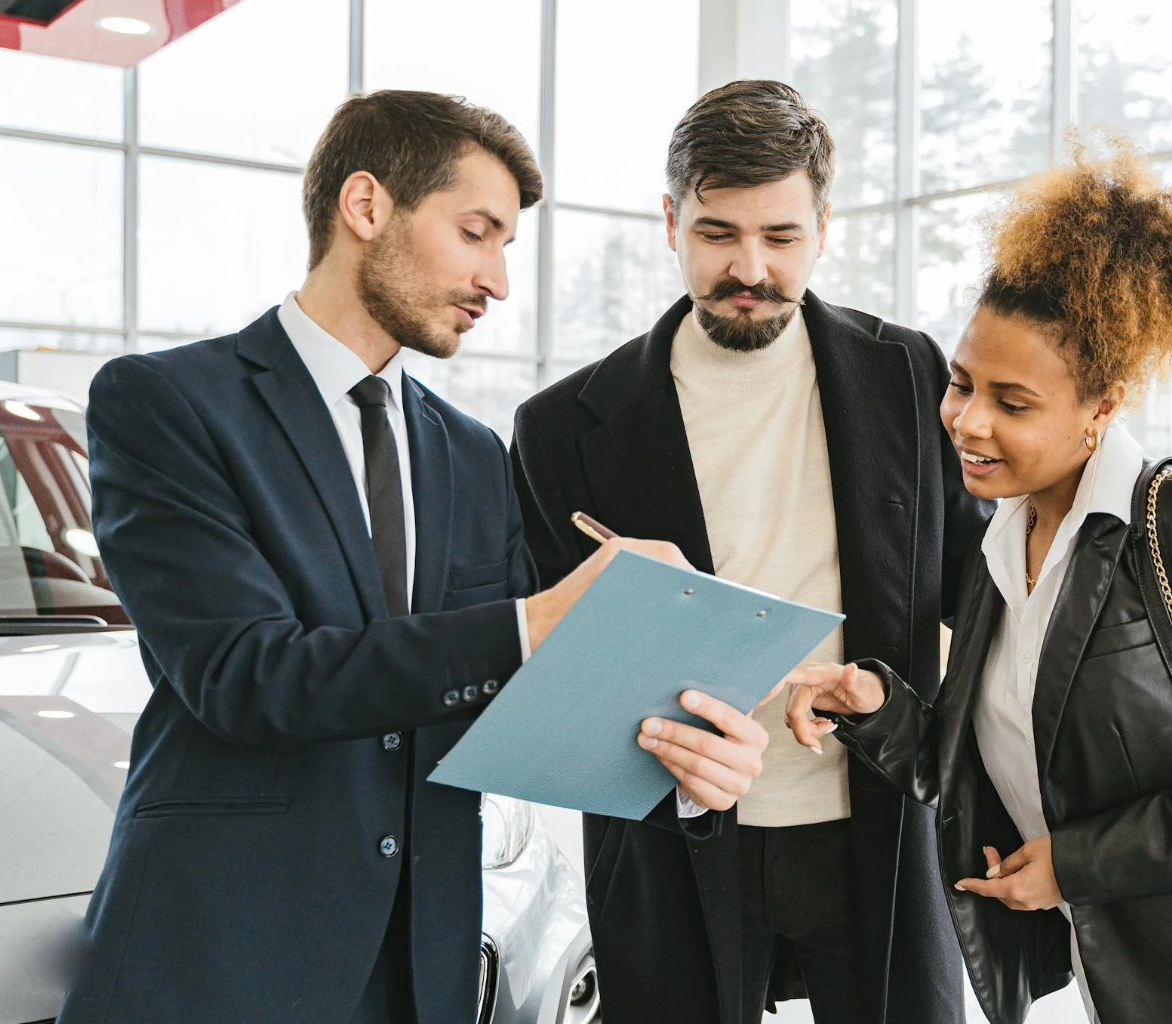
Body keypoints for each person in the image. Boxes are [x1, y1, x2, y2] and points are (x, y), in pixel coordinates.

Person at [59, 90, 769, 1024]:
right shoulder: (169, 404)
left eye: (506, 245)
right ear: (365, 207)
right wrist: (535, 620)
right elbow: (242, 676)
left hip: (425, 966)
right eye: (477, 233)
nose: (499, 281)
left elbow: (521, 703)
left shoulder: (473, 454)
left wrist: (681, 759)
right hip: (226, 953)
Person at [781, 137, 1172, 1024]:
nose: (968, 422)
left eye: (1013, 404)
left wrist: (1079, 862)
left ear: (1102, 406)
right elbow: (996, 764)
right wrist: (879, 712)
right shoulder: (1002, 542)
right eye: (960, 384)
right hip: (1118, 986)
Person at [511, 80, 991, 1024]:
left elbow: (977, 594)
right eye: (717, 233)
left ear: (824, 224)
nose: (750, 268)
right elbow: (547, 669)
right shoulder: (561, 428)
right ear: (669, 221)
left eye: (781, 238)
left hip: (878, 823)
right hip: (668, 838)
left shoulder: (911, 374)